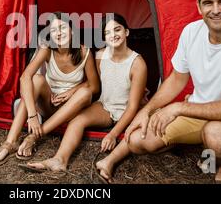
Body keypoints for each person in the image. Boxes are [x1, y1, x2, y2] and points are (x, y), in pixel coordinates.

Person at [96, 0, 221, 183]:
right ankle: (195, 146)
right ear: (199, 7)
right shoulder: (191, 32)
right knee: (137, 140)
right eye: (208, 3)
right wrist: (147, 111)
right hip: (199, 110)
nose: (215, 10)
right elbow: (176, 79)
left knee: (217, 135)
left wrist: (178, 108)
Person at [22, 13, 148, 174]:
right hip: (104, 106)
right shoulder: (101, 55)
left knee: (117, 113)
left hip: (126, 110)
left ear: (127, 32)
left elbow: (132, 106)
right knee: (77, 120)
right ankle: (59, 160)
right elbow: (92, 84)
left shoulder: (138, 63)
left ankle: (35, 136)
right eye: (107, 33)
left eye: (117, 30)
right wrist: (73, 91)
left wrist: (113, 134)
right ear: (103, 37)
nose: (113, 35)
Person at [0, 12, 100, 164]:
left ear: (72, 30)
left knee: (85, 92)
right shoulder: (47, 49)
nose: (59, 33)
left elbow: (94, 86)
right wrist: (32, 115)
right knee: (36, 79)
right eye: (53, 31)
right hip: (49, 104)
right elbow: (24, 77)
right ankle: (11, 142)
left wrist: (71, 91)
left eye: (62, 27)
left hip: (71, 109)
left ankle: (34, 136)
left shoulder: (84, 51)